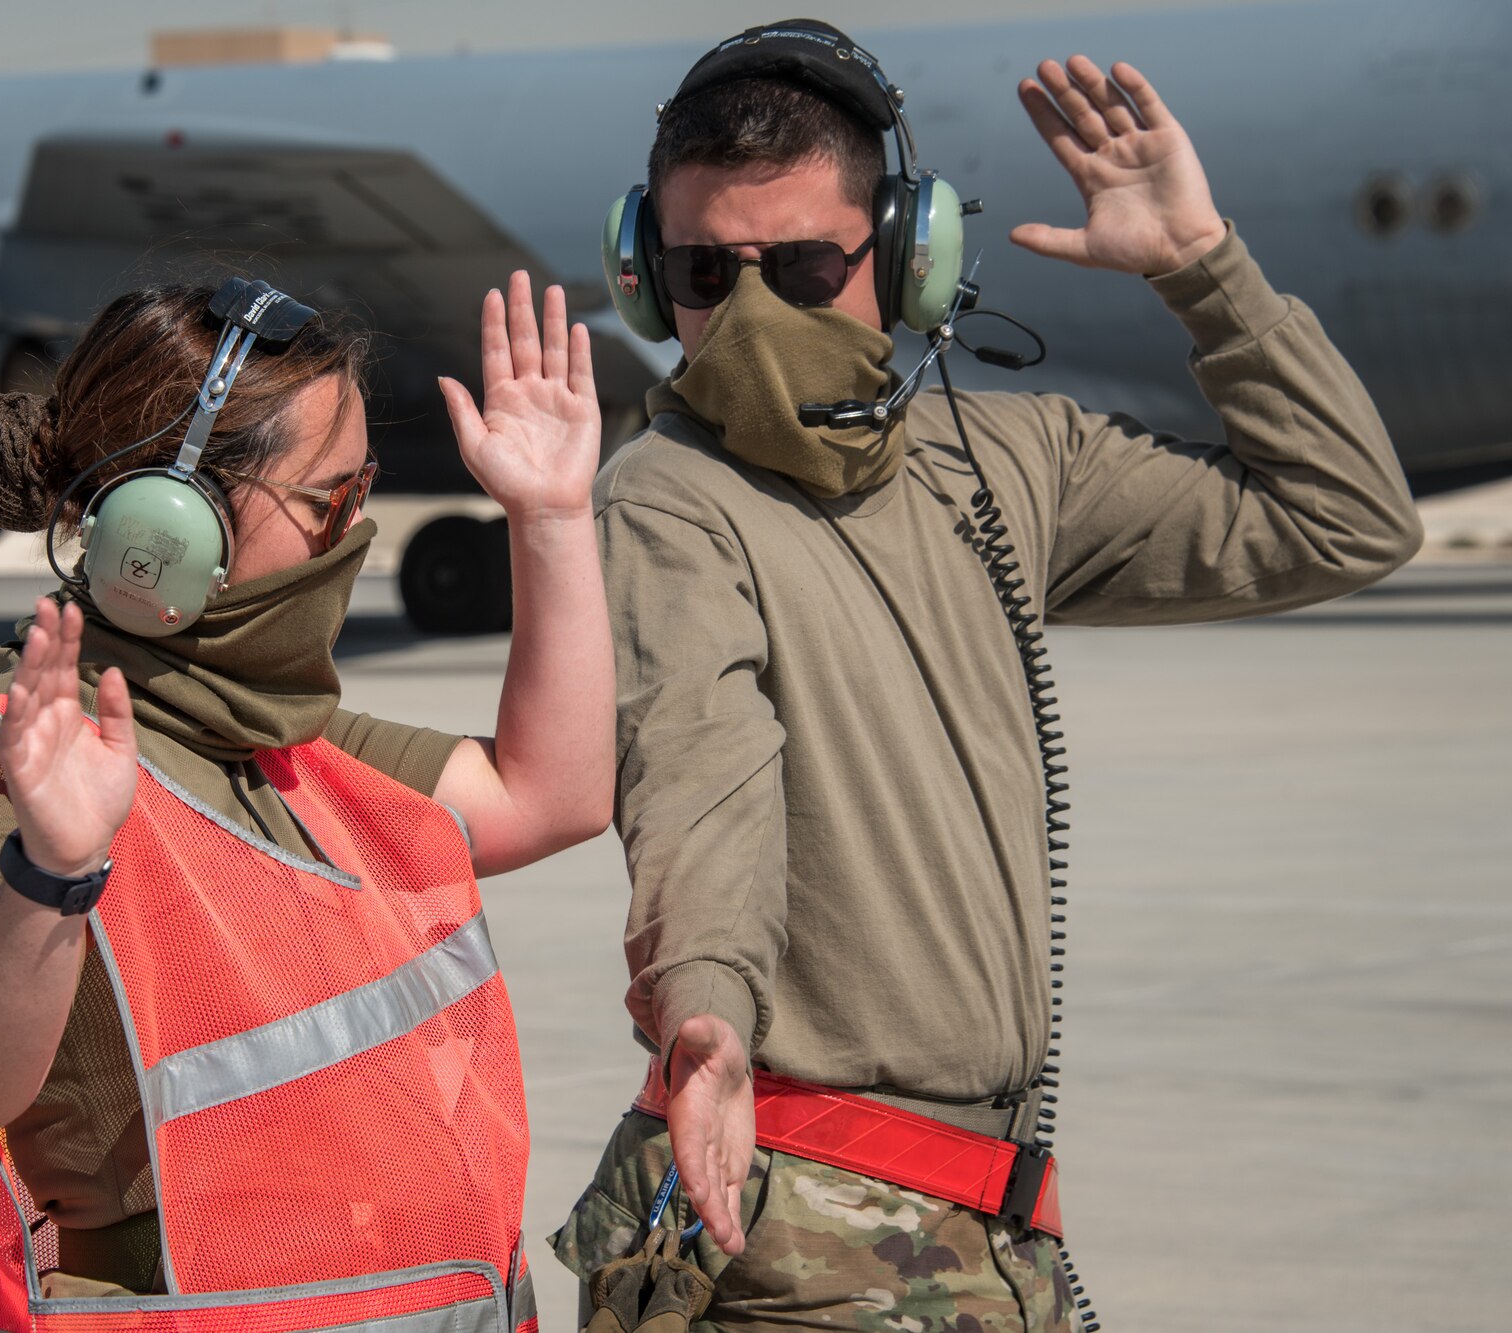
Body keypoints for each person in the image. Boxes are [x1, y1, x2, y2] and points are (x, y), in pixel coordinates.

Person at [549, 20, 1422, 1333]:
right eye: (702, 273)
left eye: (797, 267)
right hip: (798, 1226)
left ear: (907, 260)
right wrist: (705, 1022)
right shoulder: (669, 500)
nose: (748, 314)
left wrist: (1204, 272)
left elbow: (1349, 519)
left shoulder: (1005, 465)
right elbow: (698, 776)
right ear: (643, 278)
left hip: (971, 1223)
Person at [0, 270, 611, 1328]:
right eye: (326, 500)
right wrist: (52, 875)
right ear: (170, 529)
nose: (354, 533)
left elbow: (551, 793)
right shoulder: (19, 767)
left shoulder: (277, 737)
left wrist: (553, 513)